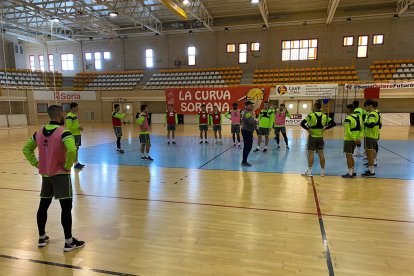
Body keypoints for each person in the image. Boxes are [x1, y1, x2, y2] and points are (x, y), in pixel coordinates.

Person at [22, 105, 85, 252]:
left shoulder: (38, 133)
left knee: (43, 206)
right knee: (66, 208)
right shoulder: (64, 133)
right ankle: (69, 242)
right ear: (61, 115)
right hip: (60, 176)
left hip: (46, 175)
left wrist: (37, 164)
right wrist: (67, 165)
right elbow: (71, 149)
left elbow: (26, 149)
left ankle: (42, 237)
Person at [300, 102, 336, 177]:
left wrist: (308, 130)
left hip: (312, 137)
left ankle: (309, 172)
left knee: (311, 154)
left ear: (315, 107)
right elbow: (333, 123)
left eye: (313, 106)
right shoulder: (324, 116)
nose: (312, 108)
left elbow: (302, 123)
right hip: (320, 137)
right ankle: (322, 172)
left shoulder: (311, 115)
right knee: (321, 154)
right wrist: (325, 128)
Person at [342, 104, 363, 178]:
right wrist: (358, 138)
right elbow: (361, 129)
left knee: (348, 156)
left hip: (349, 140)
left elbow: (347, 132)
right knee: (351, 156)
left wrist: (354, 138)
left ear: (349, 110)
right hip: (356, 140)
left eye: (346, 109)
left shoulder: (348, 119)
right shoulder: (359, 117)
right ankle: (352, 172)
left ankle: (350, 173)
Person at [362, 100, 381, 177]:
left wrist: (364, 123)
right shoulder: (377, 113)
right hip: (375, 136)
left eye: (366, 106)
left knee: (369, 155)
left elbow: (371, 124)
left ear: (370, 106)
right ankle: (370, 169)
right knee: (371, 153)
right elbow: (378, 124)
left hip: (369, 136)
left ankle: (371, 171)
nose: (365, 108)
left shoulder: (371, 115)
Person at [66, 102, 84, 169]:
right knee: (75, 149)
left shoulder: (74, 115)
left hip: (77, 134)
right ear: (73, 107)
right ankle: (75, 163)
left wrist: (79, 127)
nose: (77, 108)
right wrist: (78, 127)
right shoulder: (69, 116)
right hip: (73, 135)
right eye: (77, 107)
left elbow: (75, 124)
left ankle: (77, 162)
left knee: (77, 149)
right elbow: (69, 127)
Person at [241, 101, 258, 166]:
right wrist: (256, 121)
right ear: (247, 106)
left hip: (247, 131)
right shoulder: (247, 113)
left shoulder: (247, 112)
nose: (252, 106)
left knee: (248, 146)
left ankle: (244, 161)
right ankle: (244, 161)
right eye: (251, 105)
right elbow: (251, 122)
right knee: (247, 146)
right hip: (246, 131)